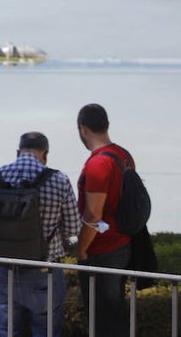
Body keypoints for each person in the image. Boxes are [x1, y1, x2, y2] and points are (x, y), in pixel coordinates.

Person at [0, 132, 79, 337]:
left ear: (18, 152)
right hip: (44, 270)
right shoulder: (59, 179)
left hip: (4, 268)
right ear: (45, 154)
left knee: (5, 330)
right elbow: (74, 228)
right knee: (45, 331)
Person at [76, 103, 135, 337]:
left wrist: (81, 250)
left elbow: (93, 214)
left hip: (101, 250)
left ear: (82, 129)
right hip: (122, 244)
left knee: (103, 320)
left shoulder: (99, 163)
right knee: (115, 313)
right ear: (107, 125)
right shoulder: (123, 155)